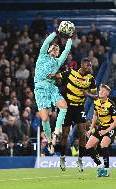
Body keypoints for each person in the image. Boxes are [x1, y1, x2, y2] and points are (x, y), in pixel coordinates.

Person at [47, 58, 97, 171]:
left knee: (82, 133)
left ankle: (80, 160)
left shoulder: (91, 79)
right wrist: (51, 75)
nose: (89, 67)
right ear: (82, 65)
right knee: (65, 134)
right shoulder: (71, 73)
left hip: (79, 107)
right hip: (67, 107)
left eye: (90, 66)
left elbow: (95, 95)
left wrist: (87, 93)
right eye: (87, 65)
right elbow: (58, 76)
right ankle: (62, 157)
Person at [34, 22, 74, 152]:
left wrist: (70, 38)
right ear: (49, 49)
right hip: (40, 89)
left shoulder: (57, 62)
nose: (55, 49)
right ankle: (50, 140)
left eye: (57, 49)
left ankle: (57, 131)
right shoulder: (42, 56)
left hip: (51, 88)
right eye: (53, 48)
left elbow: (67, 50)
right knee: (44, 118)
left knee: (64, 107)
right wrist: (56, 32)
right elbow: (47, 41)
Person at [86, 84, 116, 177]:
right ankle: (100, 166)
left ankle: (106, 170)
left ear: (107, 94)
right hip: (101, 127)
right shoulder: (96, 101)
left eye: (103, 91)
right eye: (100, 90)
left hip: (111, 127)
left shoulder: (111, 104)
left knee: (103, 144)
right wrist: (91, 128)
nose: (101, 92)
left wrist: (106, 131)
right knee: (88, 146)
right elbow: (95, 115)